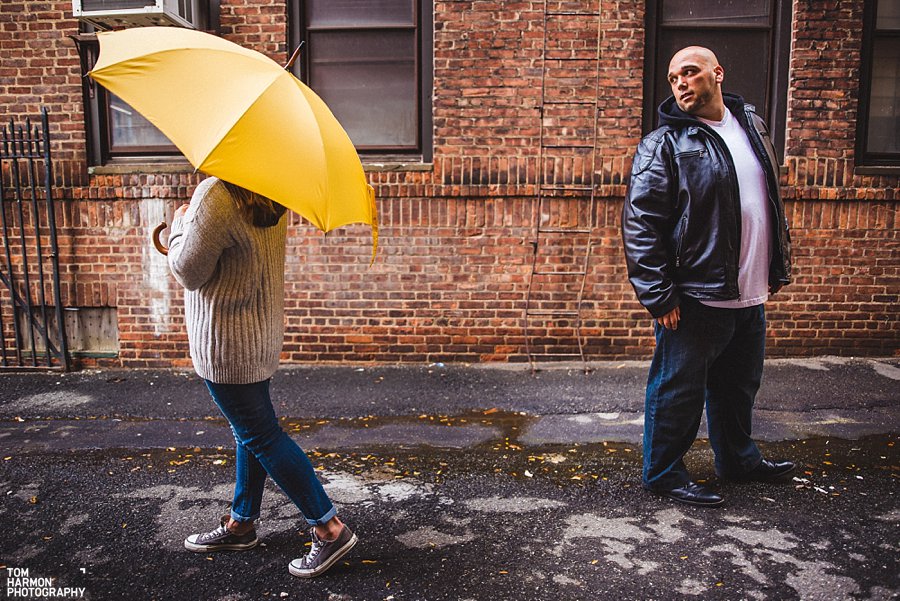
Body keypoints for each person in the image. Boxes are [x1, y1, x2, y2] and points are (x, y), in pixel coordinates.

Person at [621, 46, 795, 507]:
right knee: (677, 391)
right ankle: (662, 473)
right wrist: (659, 295)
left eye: (690, 72)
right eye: (673, 77)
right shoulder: (664, 144)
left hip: (747, 291)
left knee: (738, 389)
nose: (680, 82)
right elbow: (641, 223)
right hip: (695, 297)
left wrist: (775, 263)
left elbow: (769, 200)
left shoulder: (751, 127)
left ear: (717, 73)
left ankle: (738, 460)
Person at [167, 176, 357, 576]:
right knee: (249, 431)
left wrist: (180, 224)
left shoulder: (216, 195)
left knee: (262, 435)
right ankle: (241, 524)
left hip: (226, 342)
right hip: (257, 336)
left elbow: (188, 272)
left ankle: (329, 528)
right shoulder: (271, 190)